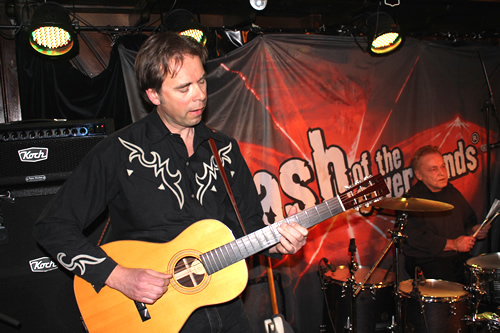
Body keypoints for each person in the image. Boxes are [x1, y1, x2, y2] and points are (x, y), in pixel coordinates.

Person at [33, 32, 308, 332]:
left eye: (201, 81)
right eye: (184, 87)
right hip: (155, 319)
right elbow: (52, 226)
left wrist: (280, 243)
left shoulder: (224, 149)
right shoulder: (121, 151)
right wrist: (119, 276)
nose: (200, 94)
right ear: (154, 95)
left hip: (228, 313)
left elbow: (249, 228)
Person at [402, 145, 490, 285]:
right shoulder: (412, 200)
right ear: (419, 175)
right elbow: (416, 237)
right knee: (449, 287)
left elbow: (468, 222)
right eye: (433, 169)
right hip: (428, 261)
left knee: (485, 278)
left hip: (457, 258)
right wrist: (454, 244)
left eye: (443, 166)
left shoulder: (451, 192)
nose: (442, 173)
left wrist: (475, 230)